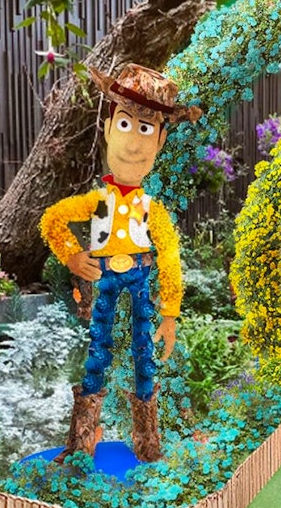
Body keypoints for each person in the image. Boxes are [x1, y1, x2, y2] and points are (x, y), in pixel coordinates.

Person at [40, 63, 201, 462]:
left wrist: (170, 313)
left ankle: (148, 444)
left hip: (141, 278)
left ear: (160, 140)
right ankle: (80, 446)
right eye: (126, 125)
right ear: (109, 128)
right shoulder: (97, 202)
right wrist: (72, 255)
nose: (133, 143)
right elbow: (53, 219)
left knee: (144, 355)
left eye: (145, 129)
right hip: (105, 277)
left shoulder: (151, 209)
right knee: (98, 352)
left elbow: (170, 256)